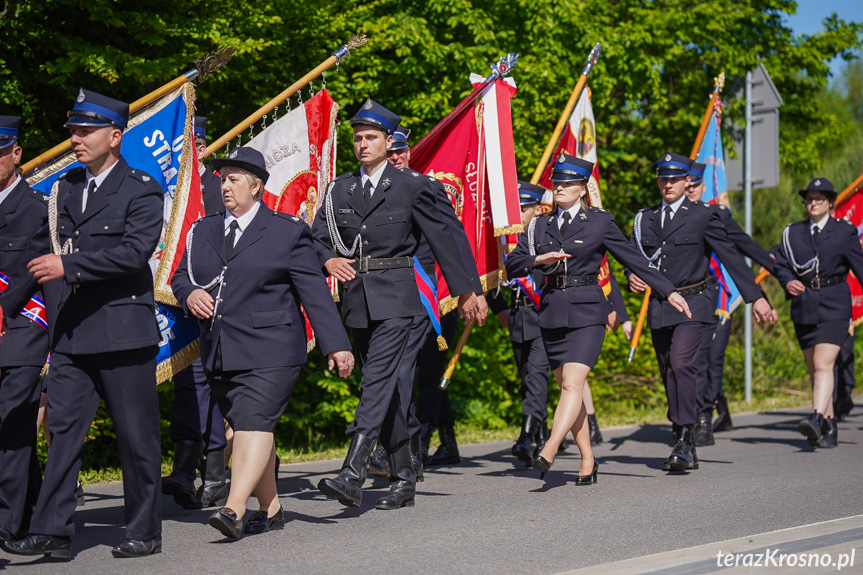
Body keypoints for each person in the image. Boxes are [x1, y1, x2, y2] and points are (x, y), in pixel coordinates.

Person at [0, 88, 164, 559]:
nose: (75, 139)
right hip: (72, 332)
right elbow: (39, 256)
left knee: (136, 437)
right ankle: (52, 528)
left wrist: (69, 268)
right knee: (63, 432)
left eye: (86, 131)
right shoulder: (65, 189)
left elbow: (134, 253)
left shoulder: (141, 188)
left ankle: (144, 529)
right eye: (73, 130)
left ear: (115, 136)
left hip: (120, 330)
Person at [172, 146, 353, 538]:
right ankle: (270, 510)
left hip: (272, 348)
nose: (225, 185)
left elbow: (314, 293)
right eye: (223, 178)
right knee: (250, 426)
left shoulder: (287, 231)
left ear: (256, 186)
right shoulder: (202, 230)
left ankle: (233, 509)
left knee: (253, 421)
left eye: (234, 178)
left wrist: (336, 344)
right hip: (220, 349)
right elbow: (179, 276)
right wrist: (188, 294)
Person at [311, 99, 481, 510]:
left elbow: (449, 236)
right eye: (357, 138)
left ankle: (353, 471)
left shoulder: (414, 186)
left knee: (377, 381)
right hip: (358, 300)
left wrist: (467, 290)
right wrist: (327, 258)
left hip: (401, 298)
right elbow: (315, 237)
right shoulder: (340, 188)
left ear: (390, 142)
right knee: (384, 386)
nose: (363, 144)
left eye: (371, 137)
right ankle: (405, 478)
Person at [506, 153, 691, 483]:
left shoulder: (599, 222)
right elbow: (513, 264)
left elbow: (634, 260)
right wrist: (537, 259)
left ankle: (549, 448)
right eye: (556, 182)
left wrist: (669, 291)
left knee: (573, 383)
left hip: (589, 312)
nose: (559, 188)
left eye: (566, 183)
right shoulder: (538, 224)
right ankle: (588, 459)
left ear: (582, 188)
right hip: (551, 312)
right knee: (567, 387)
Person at [628, 153, 775, 472]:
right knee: (668, 370)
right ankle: (683, 432)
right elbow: (632, 257)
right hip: (660, 306)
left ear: (686, 182)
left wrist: (756, 297)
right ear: (657, 182)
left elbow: (732, 257)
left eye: (675, 179)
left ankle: (684, 438)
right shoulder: (645, 219)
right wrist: (631, 276)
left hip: (695, 302)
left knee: (682, 363)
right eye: (663, 179)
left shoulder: (703, 216)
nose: (668, 184)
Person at [369, 125, 485, 477]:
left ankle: (409, 450)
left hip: (428, 295)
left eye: (401, 152)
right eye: (391, 154)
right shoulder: (370, 191)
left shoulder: (425, 187)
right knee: (391, 373)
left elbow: (454, 238)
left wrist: (471, 289)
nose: (397, 158)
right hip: (385, 294)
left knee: (417, 374)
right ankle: (403, 450)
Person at [161, 115, 230, 511]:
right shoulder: (167, 183)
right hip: (173, 295)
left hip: (212, 298)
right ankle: (185, 467)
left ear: (202, 148)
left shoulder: (217, 185)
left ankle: (214, 471)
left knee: (212, 383)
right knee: (188, 384)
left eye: (192, 145)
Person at [684, 162, 775, 446]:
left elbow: (744, 249)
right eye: (685, 187)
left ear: (702, 188)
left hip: (719, 295)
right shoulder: (670, 217)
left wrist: (777, 273)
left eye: (694, 187)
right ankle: (704, 412)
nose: (689, 191)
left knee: (711, 359)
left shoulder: (717, 215)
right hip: (686, 297)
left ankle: (705, 419)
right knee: (692, 360)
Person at [773, 178, 863, 448]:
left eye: (819, 199)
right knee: (815, 370)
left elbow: (859, 266)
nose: (813, 203)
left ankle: (814, 418)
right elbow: (780, 263)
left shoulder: (844, 231)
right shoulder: (793, 233)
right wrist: (787, 281)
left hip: (835, 303)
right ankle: (830, 424)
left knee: (824, 365)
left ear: (830, 203)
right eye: (809, 199)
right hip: (804, 305)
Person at [0, 115, 50, 543]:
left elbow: (34, 271)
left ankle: (6, 523)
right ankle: (33, 509)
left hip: (21, 327)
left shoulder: (37, 209)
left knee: (11, 424)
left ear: (15, 155)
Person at [490, 181, 551, 465]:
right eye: (517, 209)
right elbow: (488, 275)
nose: (519, 214)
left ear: (538, 209)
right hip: (518, 316)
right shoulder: (504, 241)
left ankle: (526, 436)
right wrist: (499, 308)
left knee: (537, 376)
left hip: (544, 316)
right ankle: (541, 431)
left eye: (524, 209)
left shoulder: (547, 234)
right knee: (527, 379)